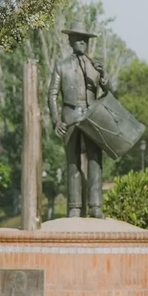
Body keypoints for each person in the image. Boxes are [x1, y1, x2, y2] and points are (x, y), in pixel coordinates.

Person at [48, 27, 107, 217]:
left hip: (92, 116)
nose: (82, 42)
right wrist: (56, 120)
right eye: (79, 39)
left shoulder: (94, 66)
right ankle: (74, 206)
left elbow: (108, 94)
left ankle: (95, 206)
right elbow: (53, 94)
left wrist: (104, 77)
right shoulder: (61, 65)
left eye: (85, 40)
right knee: (72, 162)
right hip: (70, 115)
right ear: (70, 40)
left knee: (95, 160)